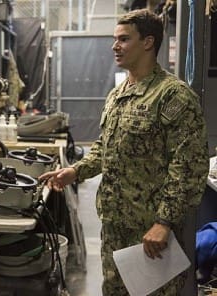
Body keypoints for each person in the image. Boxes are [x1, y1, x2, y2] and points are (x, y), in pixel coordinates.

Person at [39, 9, 209, 295]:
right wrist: (75, 171)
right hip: (114, 228)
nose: (114, 46)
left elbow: (189, 166)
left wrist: (163, 222)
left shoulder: (172, 95)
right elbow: (106, 148)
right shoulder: (118, 95)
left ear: (148, 42)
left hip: (150, 234)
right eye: (114, 39)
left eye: (123, 39)